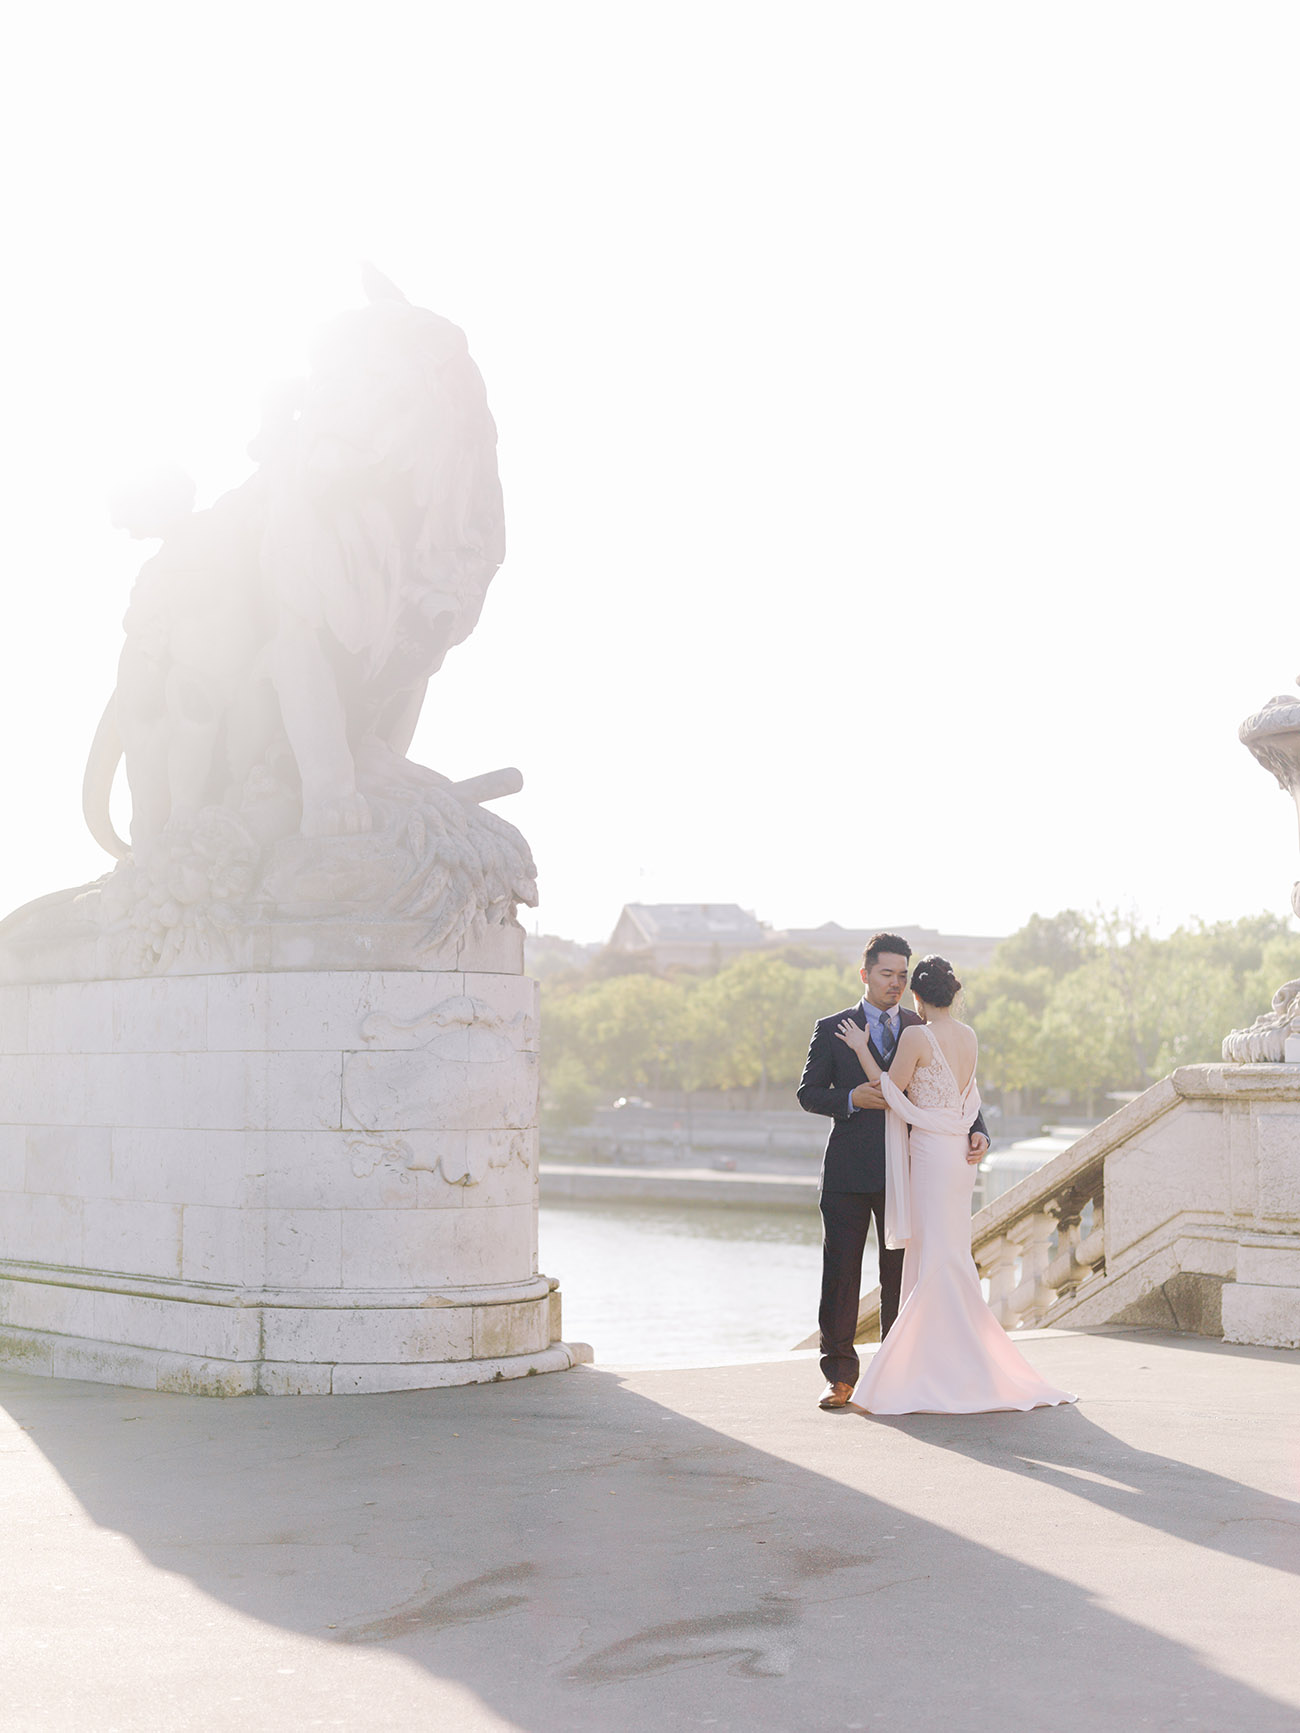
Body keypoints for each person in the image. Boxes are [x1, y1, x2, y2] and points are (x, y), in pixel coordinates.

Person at [836, 954, 1076, 1415]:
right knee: (948, 1253)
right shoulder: (969, 1036)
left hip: (930, 1154)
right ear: (956, 993)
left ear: (917, 997)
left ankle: (925, 1370)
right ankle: (960, 1365)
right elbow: (966, 1099)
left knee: (933, 1256)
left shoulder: (916, 1035)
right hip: (959, 1158)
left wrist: (862, 1048)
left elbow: (890, 1091)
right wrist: (977, 1131)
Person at [797, 933, 990, 1413]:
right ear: (864, 975)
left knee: (898, 1276)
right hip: (847, 1171)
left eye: (903, 976)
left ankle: (894, 1373)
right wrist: (848, 1099)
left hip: (910, 1171)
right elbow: (807, 1093)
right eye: (886, 975)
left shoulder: (920, 1024)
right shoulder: (832, 1027)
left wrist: (980, 1131)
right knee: (839, 1275)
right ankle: (839, 1377)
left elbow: (955, 1086)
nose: (896, 984)